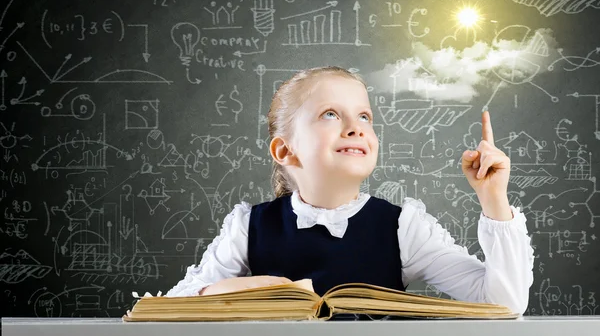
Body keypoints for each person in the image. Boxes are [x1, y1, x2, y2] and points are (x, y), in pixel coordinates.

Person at [165, 66, 534, 315]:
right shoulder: (248, 226)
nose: (355, 127)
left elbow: (504, 304)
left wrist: (493, 198)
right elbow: (171, 308)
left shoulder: (404, 227)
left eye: (364, 116)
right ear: (284, 150)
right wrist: (255, 289)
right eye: (330, 114)